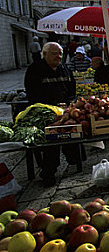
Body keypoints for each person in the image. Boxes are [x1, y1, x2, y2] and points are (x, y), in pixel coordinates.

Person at [24, 42, 77, 186]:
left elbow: (72, 89)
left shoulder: (65, 69)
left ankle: (74, 159)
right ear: (44, 54)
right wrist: (52, 107)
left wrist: (69, 104)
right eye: (54, 53)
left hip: (65, 111)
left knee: (73, 132)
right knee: (51, 141)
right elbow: (32, 94)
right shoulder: (34, 70)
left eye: (60, 53)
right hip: (46, 113)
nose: (59, 56)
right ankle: (48, 173)